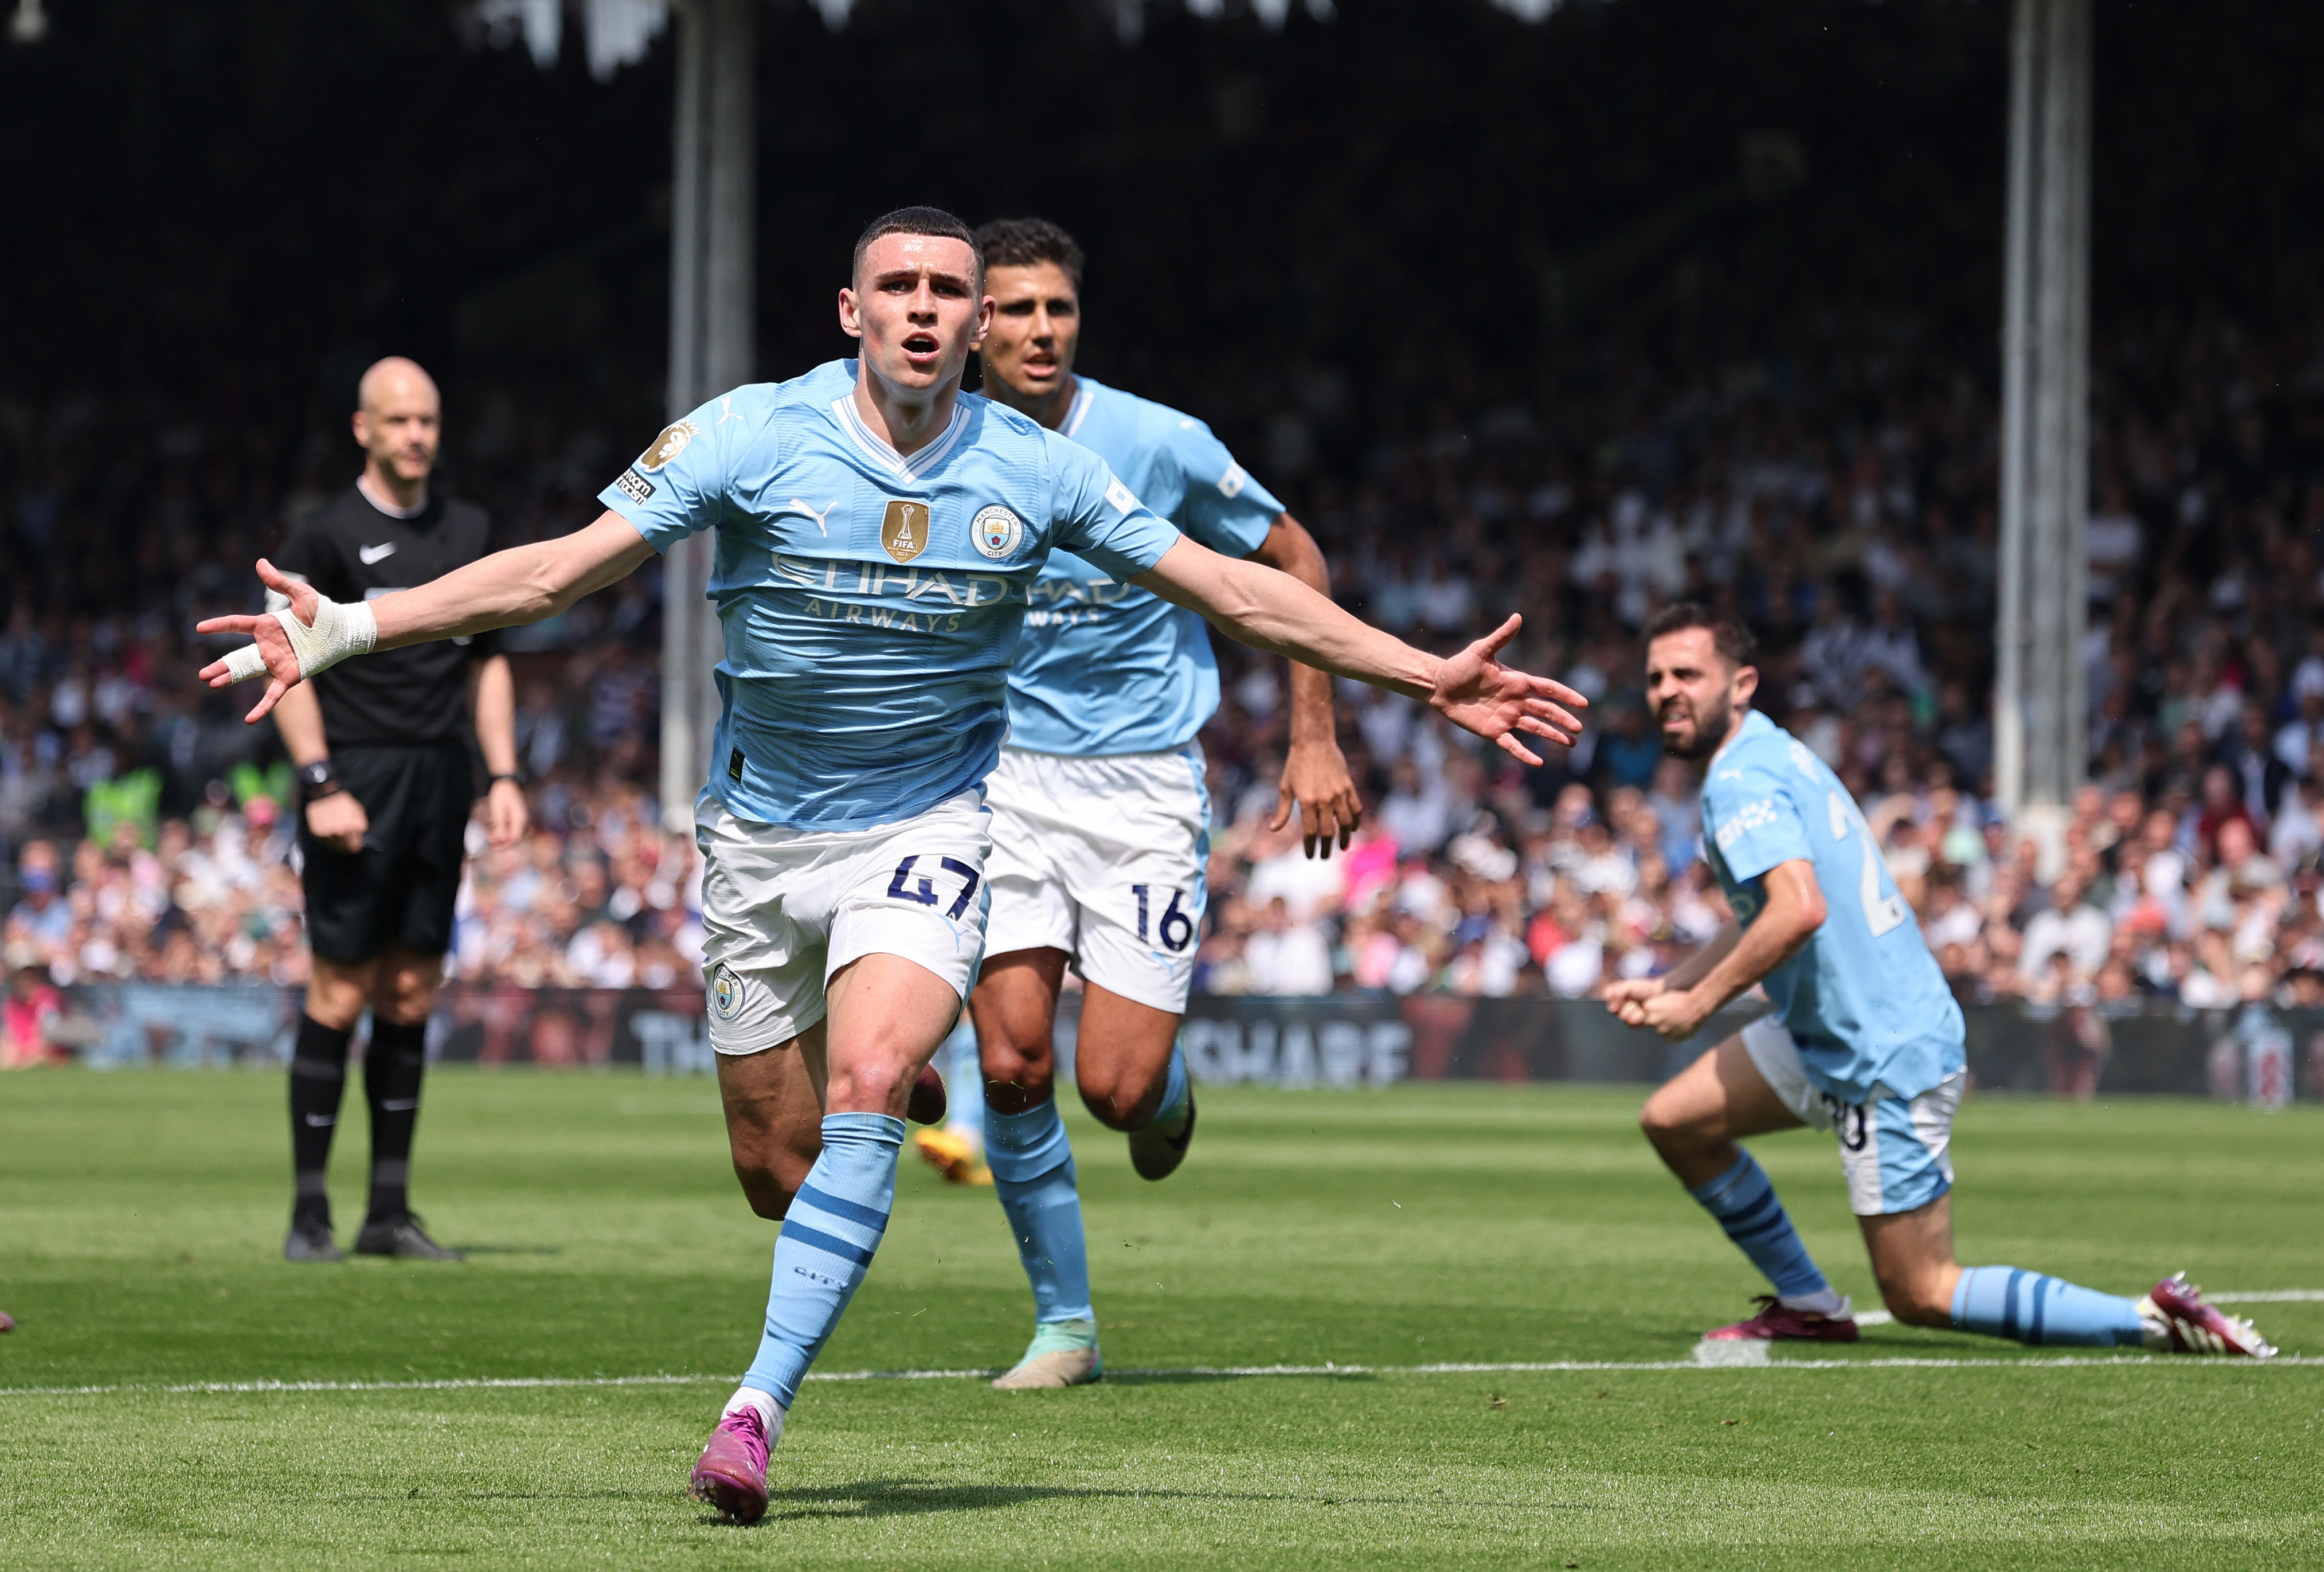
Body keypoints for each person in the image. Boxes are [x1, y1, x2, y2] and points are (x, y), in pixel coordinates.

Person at [198, 208, 1586, 1525]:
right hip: (755, 835)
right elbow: (559, 573)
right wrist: (355, 627)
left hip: (929, 823)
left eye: (947, 291)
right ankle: (891, 1071)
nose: (926, 312)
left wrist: (1419, 676)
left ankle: (755, 1407)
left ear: (970, 319)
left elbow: (1231, 583)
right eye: (901, 290)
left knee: (870, 1095)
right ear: (852, 311)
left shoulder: (1037, 466)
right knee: (774, 1167)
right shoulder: (752, 432)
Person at [1604, 603, 2272, 1359]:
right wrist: (1673, 980)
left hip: (1879, 1048)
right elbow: (1769, 906)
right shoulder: (1765, 755)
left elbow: (1796, 910)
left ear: (1742, 683)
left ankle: (2149, 1318)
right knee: (1674, 1120)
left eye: (1687, 673)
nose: (1666, 690)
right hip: (1834, 1027)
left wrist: (1695, 1003)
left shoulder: (1738, 780)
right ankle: (1809, 1303)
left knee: (1921, 1291)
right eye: (1656, 676)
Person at [956, 216, 1364, 1389]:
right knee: (1016, 1064)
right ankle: (1065, 1328)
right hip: (999, 782)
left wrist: (1313, 729)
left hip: (1139, 785)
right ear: (976, 326)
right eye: (1017, 310)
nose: (1041, 331)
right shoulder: (938, 444)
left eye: (1059, 310)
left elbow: (1294, 558)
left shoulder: (1156, 440)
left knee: (1114, 1088)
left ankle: (1166, 1092)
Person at [265, 357, 530, 1263]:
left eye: (429, 418)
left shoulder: (471, 529)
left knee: (414, 989)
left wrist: (501, 775)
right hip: (356, 775)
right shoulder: (324, 536)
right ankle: (309, 1213)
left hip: (441, 776)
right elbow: (286, 665)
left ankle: (387, 1212)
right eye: (400, 419)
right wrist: (319, 782)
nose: (417, 433)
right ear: (363, 429)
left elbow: (486, 661)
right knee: (339, 989)